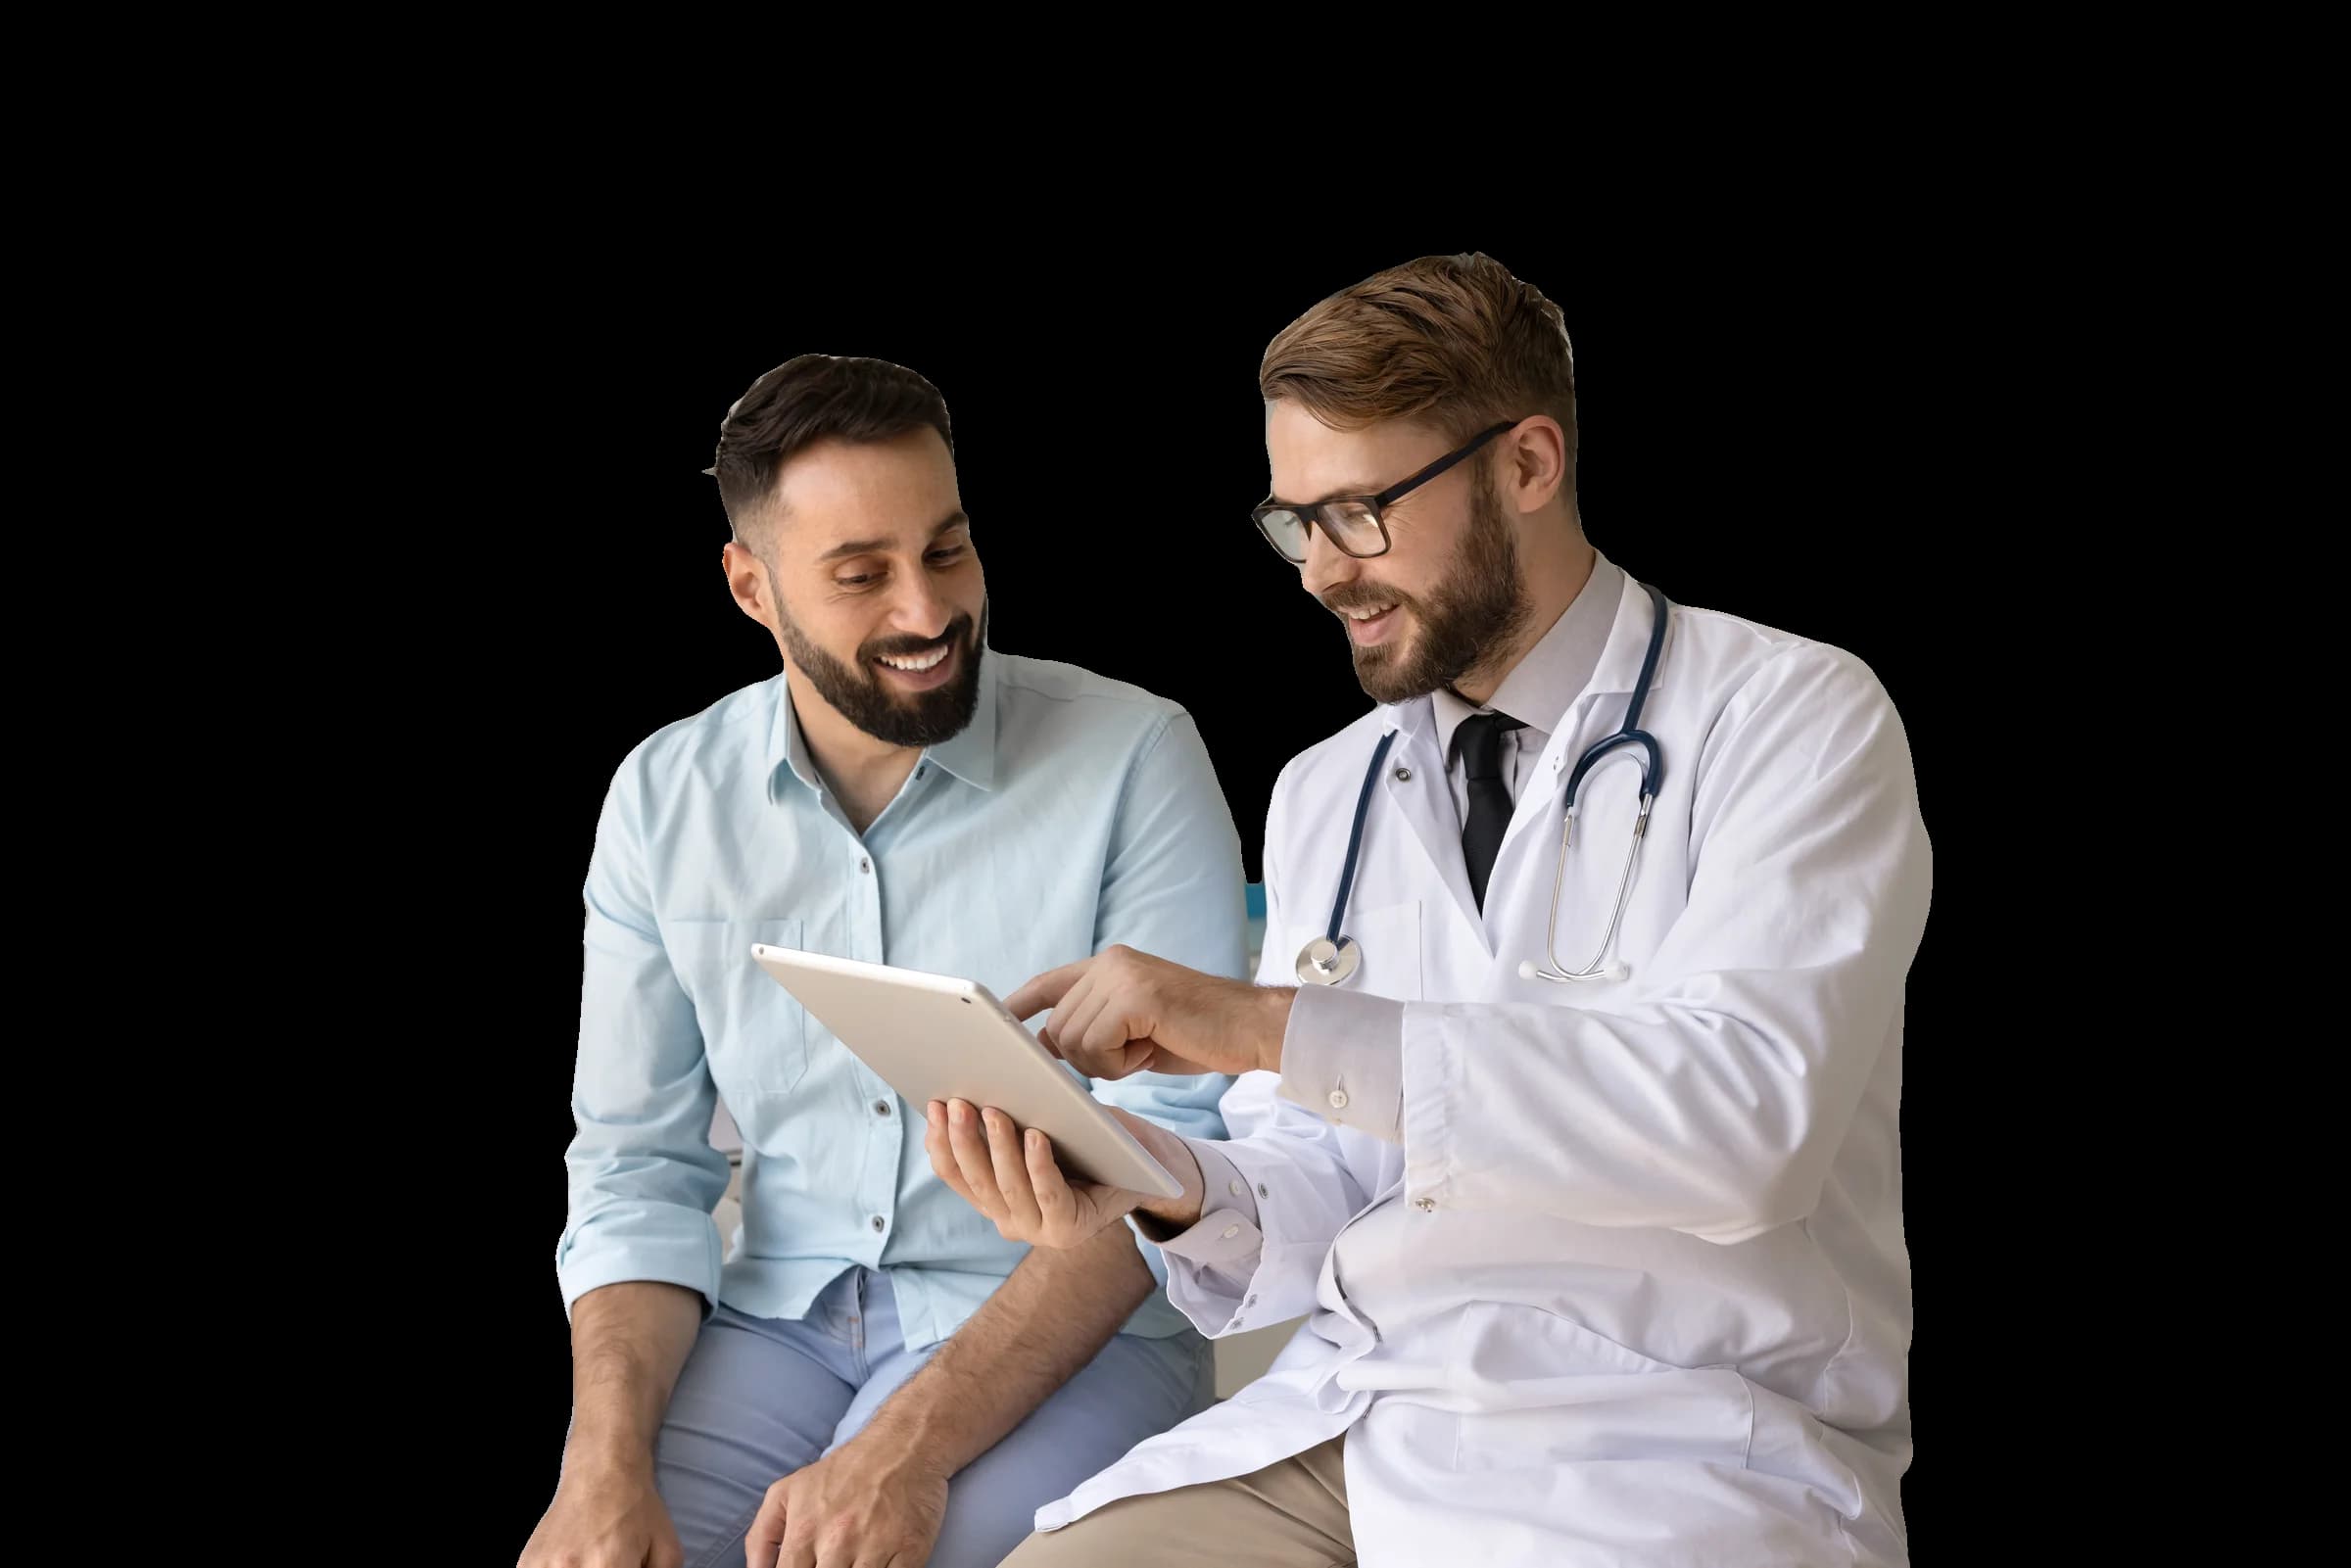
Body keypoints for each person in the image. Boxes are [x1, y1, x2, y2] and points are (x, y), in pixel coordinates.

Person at [930, 253, 1934, 1566]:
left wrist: (1274, 1022)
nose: (1318, 574)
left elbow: (1745, 1124)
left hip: (1666, 1441)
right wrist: (1150, 1180)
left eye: (1359, 512)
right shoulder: (1325, 792)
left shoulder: (1793, 719)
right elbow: (1319, 1179)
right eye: (1294, 522)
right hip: (1361, 1421)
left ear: (1526, 465)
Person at [520, 354, 1245, 1568]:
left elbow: (1183, 1164)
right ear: (751, 586)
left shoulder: (1135, 754)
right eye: (860, 575)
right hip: (773, 1325)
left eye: (948, 550)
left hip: (1068, 1325)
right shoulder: (663, 797)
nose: (925, 610)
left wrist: (903, 1444)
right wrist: (597, 1462)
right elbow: (637, 1168)